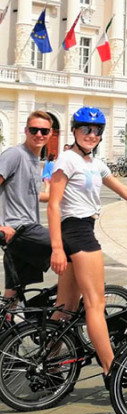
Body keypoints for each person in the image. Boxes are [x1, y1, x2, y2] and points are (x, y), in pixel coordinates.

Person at [47, 107, 127, 384]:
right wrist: (56, 248)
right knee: (95, 304)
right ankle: (111, 368)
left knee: (65, 307)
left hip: (81, 230)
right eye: (86, 129)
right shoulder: (67, 159)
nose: (91, 135)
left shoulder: (94, 164)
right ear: (75, 131)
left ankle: (49, 361)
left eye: (97, 130)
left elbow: (124, 190)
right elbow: (54, 205)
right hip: (77, 232)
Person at [0, 111, 53, 299]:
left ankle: (11, 326)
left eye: (44, 131)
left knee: (14, 292)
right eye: (34, 130)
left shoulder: (34, 160)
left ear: (50, 133)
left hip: (21, 231)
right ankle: (65, 307)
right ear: (26, 131)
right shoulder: (15, 154)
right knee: (70, 245)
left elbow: (31, 195)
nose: (39, 134)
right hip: (19, 229)